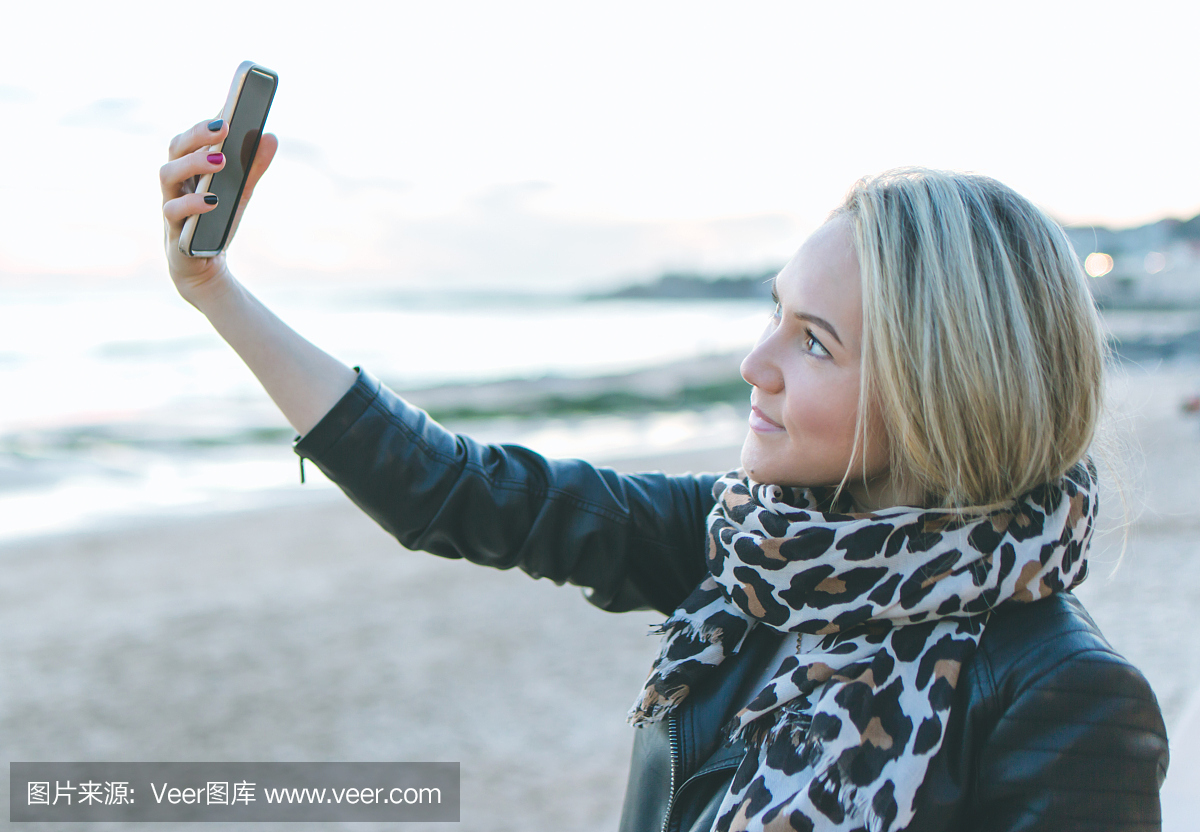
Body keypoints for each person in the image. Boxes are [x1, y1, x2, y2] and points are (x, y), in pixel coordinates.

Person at [160, 118, 1169, 832]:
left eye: (813, 343)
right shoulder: (750, 551)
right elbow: (456, 491)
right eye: (773, 311)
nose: (754, 363)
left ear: (941, 389)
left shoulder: (1064, 696)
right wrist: (217, 292)